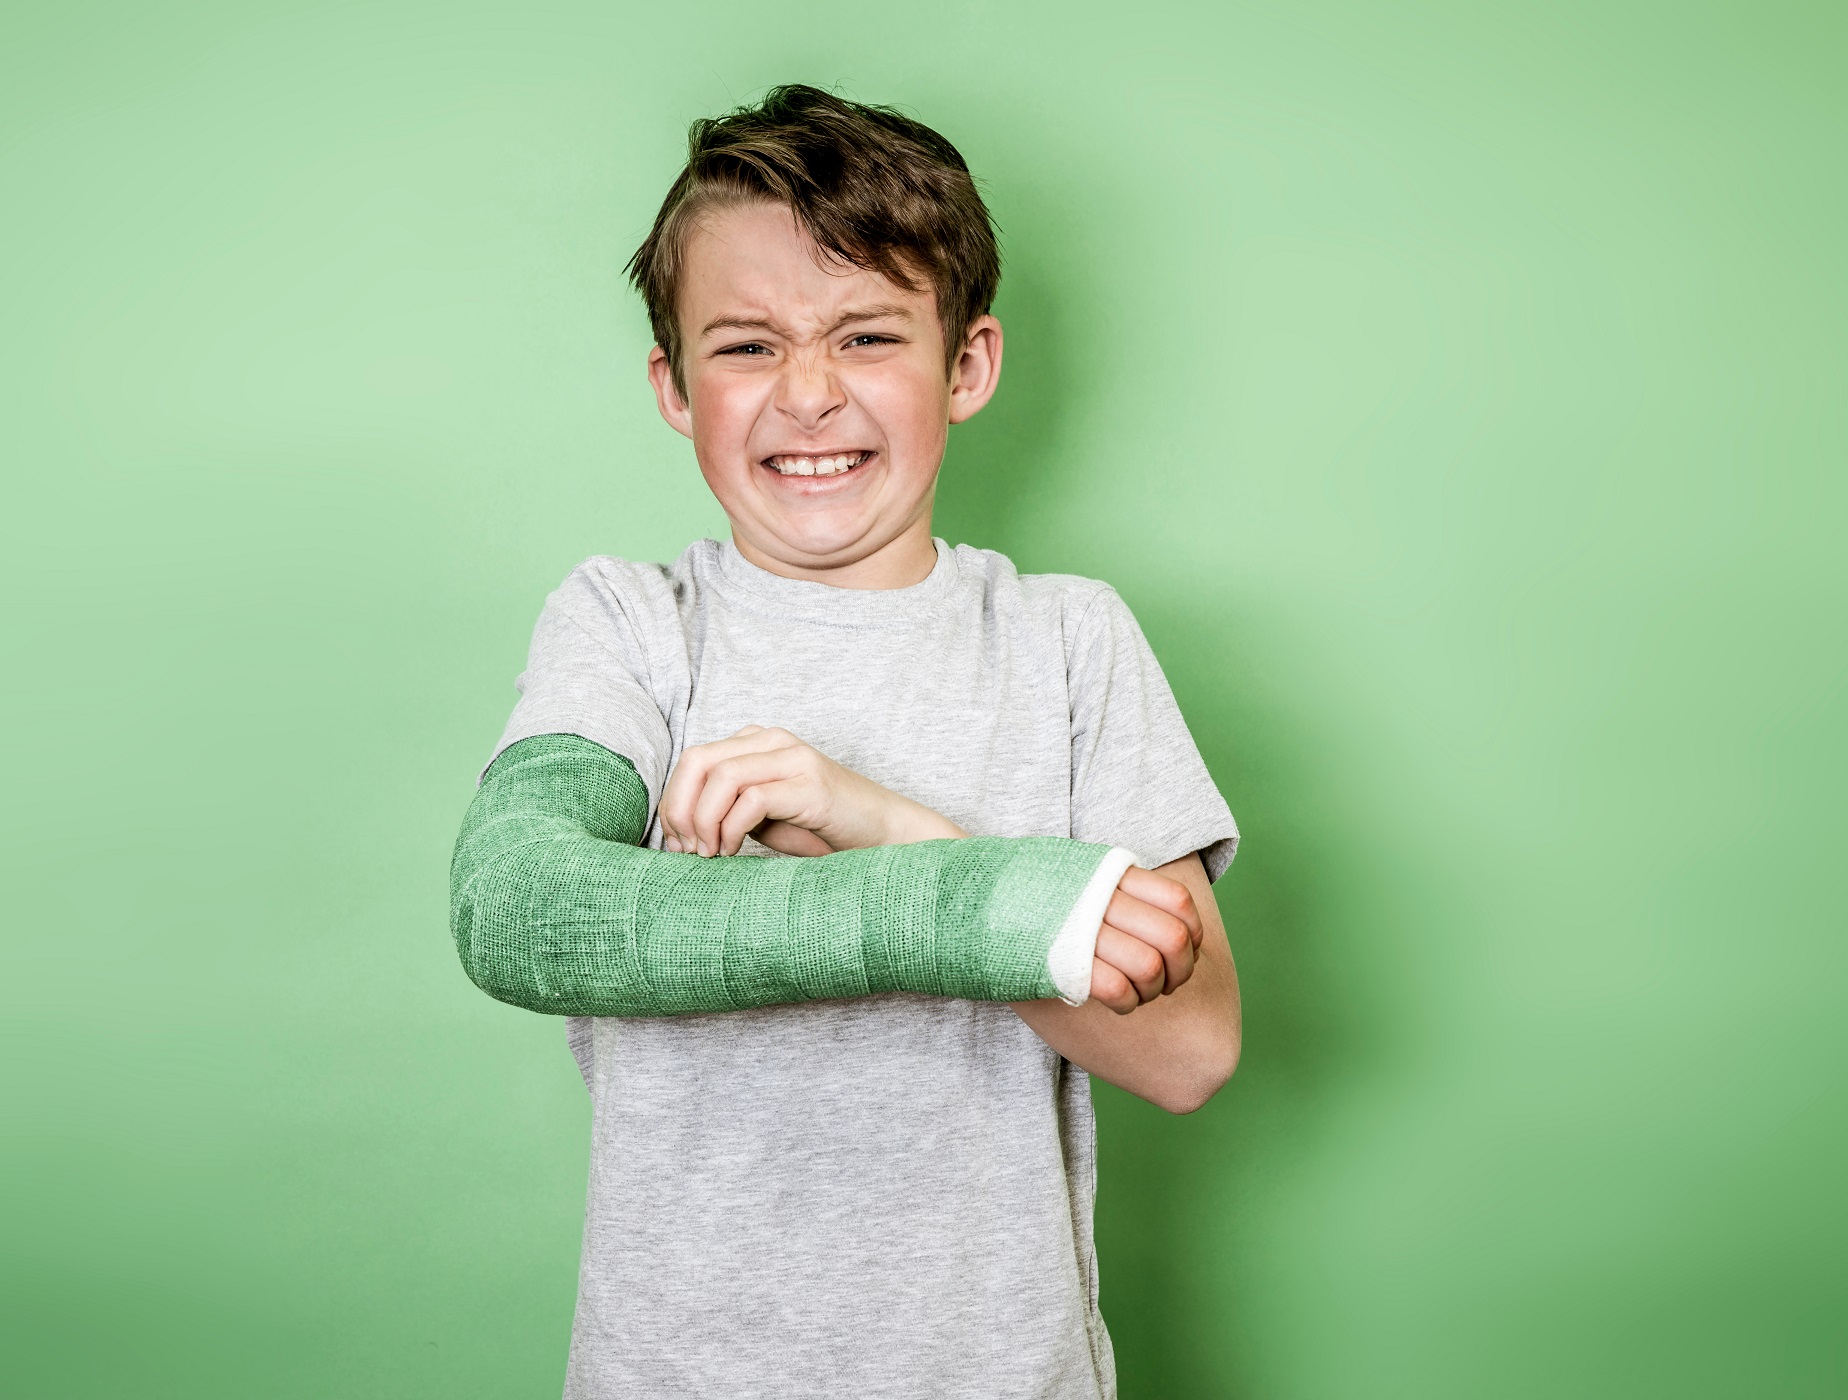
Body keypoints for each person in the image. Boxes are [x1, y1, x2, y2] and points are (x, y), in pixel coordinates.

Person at [450, 84, 1241, 1399]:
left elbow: (1191, 1048)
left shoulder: (1067, 644)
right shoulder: (630, 627)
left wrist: (887, 827)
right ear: (672, 385)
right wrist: (983, 906)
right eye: (746, 347)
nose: (807, 395)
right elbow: (522, 908)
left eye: (867, 335)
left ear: (968, 366)